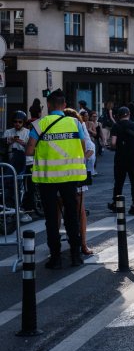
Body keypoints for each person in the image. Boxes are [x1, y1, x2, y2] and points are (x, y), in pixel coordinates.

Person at [25, 89, 88, 269]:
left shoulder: (39, 124)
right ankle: (75, 255)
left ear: (50, 106)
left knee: (52, 218)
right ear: (64, 106)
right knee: (71, 215)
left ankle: (56, 256)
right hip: (71, 176)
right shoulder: (75, 123)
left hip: (47, 179)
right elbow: (82, 148)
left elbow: (29, 151)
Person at [63, 108, 95, 256]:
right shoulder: (78, 125)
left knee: (71, 208)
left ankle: (81, 244)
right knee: (79, 208)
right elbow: (90, 148)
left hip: (62, 174)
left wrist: (80, 159)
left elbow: (90, 148)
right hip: (74, 173)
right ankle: (82, 244)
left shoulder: (76, 126)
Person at [109, 106, 134, 215]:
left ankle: (117, 204)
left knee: (119, 182)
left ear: (118, 115)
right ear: (129, 114)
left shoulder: (116, 126)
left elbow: (113, 142)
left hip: (120, 157)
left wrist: (114, 147)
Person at [5, 110, 30, 175]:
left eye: (20, 122)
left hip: (24, 159)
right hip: (10, 158)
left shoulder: (28, 132)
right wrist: (9, 141)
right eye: (15, 121)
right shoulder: (8, 132)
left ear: (23, 122)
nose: (17, 124)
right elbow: (2, 146)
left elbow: (31, 147)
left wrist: (23, 144)